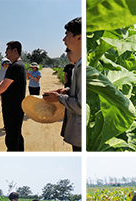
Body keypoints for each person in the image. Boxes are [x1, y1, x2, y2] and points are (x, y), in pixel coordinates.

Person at [43, 18, 81, 151]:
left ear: (79, 38)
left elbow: (80, 105)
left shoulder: (82, 67)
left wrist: (58, 98)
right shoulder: (78, 66)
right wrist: (66, 92)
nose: (64, 40)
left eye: (67, 35)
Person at [0, 41, 27, 151]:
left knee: (12, 136)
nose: (5, 52)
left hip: (13, 107)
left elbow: (4, 86)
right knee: (16, 134)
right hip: (15, 106)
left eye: (7, 49)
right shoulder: (17, 65)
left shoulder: (16, 66)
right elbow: (4, 81)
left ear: (15, 50)